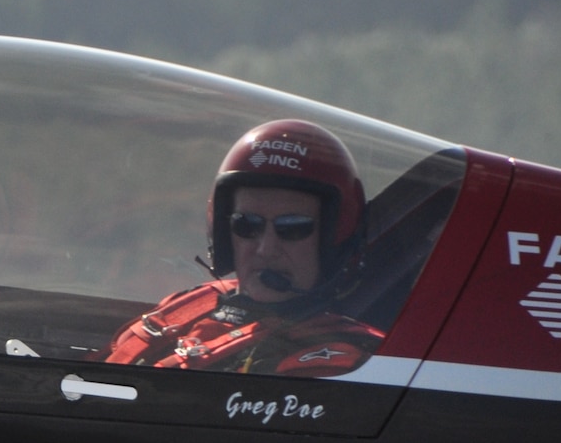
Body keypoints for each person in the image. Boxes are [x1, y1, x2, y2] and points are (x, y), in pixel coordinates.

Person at [105, 118, 384, 376]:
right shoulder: (187, 305)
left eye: (292, 228)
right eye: (247, 225)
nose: (265, 248)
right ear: (225, 233)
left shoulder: (348, 363)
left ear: (333, 239)